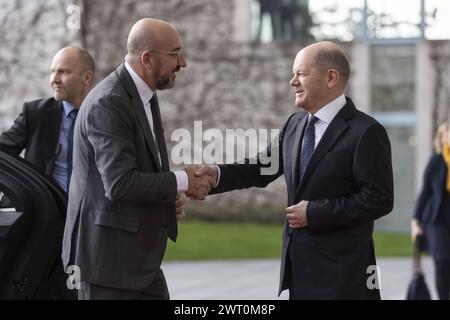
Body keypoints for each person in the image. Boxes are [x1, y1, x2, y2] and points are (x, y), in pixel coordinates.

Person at [194, 41, 393, 299]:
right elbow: (260, 168)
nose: (292, 81)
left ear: (331, 77)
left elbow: (378, 200)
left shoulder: (366, 132)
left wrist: (315, 212)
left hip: (344, 279)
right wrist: (216, 175)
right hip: (299, 274)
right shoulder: (294, 124)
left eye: (300, 73)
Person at [61, 18, 215, 300]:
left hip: (135, 265)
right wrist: (182, 181)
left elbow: (141, 169)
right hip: (105, 267)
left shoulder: (143, 95)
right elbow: (120, 184)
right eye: (175, 53)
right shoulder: (109, 101)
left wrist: (169, 195)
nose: (183, 62)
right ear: (146, 59)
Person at [0, 46, 95, 192]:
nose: (54, 79)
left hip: (90, 211)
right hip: (47, 209)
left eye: (63, 72)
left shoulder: (104, 116)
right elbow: (3, 153)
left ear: (87, 78)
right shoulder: (35, 113)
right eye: (52, 71)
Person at [411, 122, 450, 300]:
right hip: (437, 220)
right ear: (442, 138)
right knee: (441, 260)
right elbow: (426, 192)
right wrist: (415, 221)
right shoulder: (436, 161)